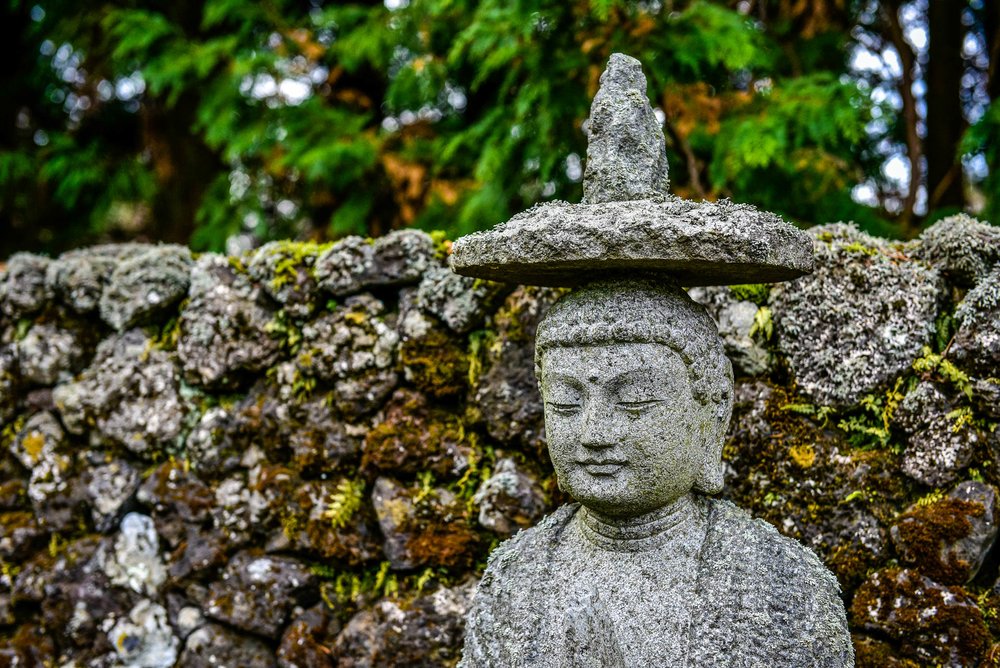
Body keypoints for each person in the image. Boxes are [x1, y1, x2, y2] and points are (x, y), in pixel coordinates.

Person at [459, 278, 854, 668]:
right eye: (566, 403)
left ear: (711, 411)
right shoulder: (515, 576)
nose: (594, 433)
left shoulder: (784, 586)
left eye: (634, 401)